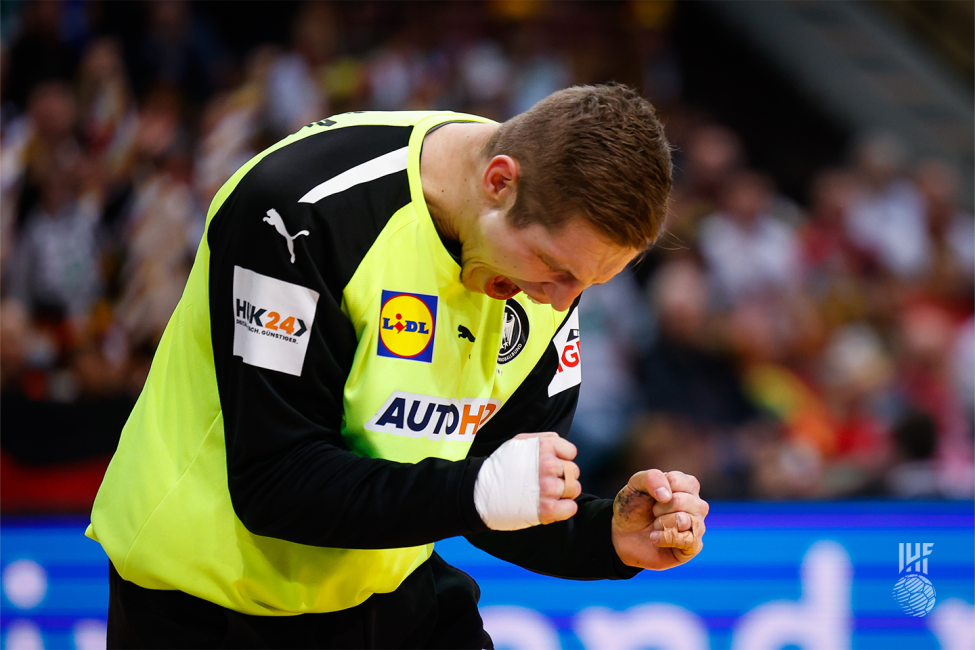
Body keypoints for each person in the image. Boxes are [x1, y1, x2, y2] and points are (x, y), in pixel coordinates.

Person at [87, 84, 710, 649]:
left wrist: (608, 537)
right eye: (557, 267)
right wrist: (477, 491)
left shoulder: (544, 260)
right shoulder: (298, 215)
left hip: (385, 589)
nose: (560, 301)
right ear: (499, 182)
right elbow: (275, 484)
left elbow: (497, 496)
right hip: (203, 607)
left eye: (592, 282)